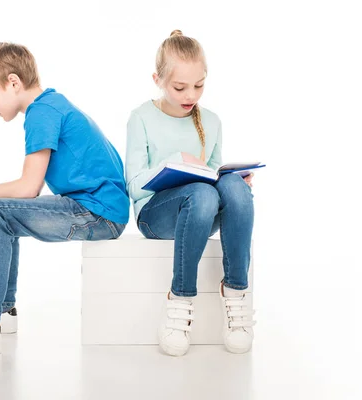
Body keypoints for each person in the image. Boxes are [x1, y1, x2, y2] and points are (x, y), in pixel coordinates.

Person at [0, 42, 130, 359]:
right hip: (100, 208)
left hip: (98, 213)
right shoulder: (51, 105)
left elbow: (28, 188)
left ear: (13, 82)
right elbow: (26, 193)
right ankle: (1, 312)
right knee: (5, 216)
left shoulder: (41, 113)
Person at [125, 30, 256, 356]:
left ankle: (236, 292)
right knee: (200, 192)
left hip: (202, 209)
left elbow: (213, 174)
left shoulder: (211, 121)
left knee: (230, 187)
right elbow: (134, 185)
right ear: (158, 79)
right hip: (155, 216)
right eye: (180, 87)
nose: (191, 95)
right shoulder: (141, 118)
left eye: (199, 85)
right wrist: (174, 163)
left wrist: (234, 179)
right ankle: (180, 298)